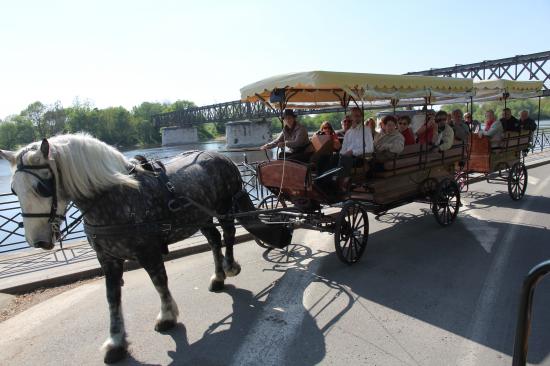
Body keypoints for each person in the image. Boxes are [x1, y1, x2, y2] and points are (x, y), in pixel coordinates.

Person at [337, 107, 374, 189]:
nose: (356, 118)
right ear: (351, 117)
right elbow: (343, 149)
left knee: (344, 159)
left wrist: (353, 152)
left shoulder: (366, 130)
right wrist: (342, 154)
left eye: (358, 116)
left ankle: (341, 185)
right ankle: (323, 183)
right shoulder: (348, 132)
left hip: (360, 158)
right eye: (354, 116)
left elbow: (370, 149)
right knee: (326, 157)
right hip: (346, 157)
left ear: (361, 117)